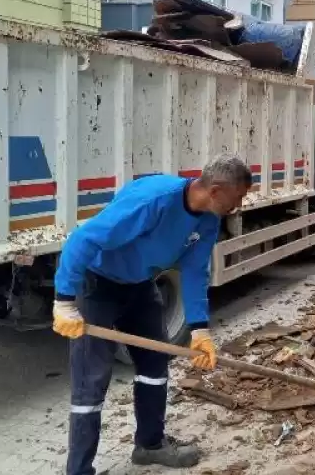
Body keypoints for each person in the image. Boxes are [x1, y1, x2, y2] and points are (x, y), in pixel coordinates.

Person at [52, 154, 252, 475]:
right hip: (97, 284)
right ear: (216, 190)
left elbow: (195, 271)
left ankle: (149, 445)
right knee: (92, 380)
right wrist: (64, 301)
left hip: (140, 286)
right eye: (238, 197)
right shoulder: (154, 201)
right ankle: (79, 470)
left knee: (155, 363)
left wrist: (200, 329)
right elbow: (83, 240)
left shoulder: (208, 221)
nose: (239, 205)